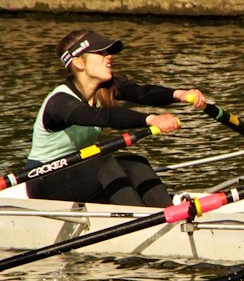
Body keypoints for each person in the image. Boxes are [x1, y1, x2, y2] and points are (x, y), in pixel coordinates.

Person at [25, 30, 207, 207]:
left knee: (136, 163)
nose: (109, 56)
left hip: (78, 172)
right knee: (103, 162)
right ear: (79, 63)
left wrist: (180, 94)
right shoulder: (60, 102)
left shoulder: (104, 88)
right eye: (100, 52)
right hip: (43, 181)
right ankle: (136, 220)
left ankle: (166, 214)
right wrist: (152, 119)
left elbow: (142, 92)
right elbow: (103, 116)